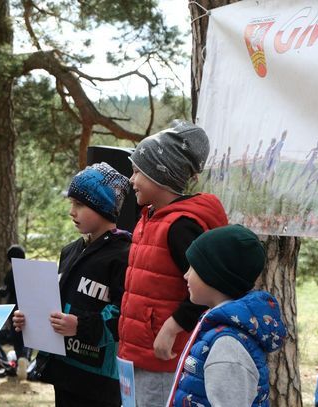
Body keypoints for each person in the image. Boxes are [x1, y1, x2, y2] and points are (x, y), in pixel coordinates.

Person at [117, 120, 229, 407]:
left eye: (137, 172)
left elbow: (207, 289)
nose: (131, 180)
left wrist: (171, 327)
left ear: (161, 174)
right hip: (138, 356)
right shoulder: (150, 218)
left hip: (163, 360)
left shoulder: (180, 227)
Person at [13, 162, 132, 407]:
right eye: (71, 203)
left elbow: (124, 314)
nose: (71, 212)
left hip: (98, 381)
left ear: (102, 207)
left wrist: (80, 326)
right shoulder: (70, 251)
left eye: (79, 204)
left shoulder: (124, 255)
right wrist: (30, 319)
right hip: (64, 372)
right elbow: (56, 304)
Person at [167, 224, 287, 406]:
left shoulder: (228, 347)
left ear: (214, 275)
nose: (186, 275)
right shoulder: (217, 327)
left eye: (193, 267)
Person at [0, 244, 32, 379]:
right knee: (29, 337)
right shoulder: (31, 271)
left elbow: (3, 293)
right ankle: (25, 360)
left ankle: (19, 359)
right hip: (30, 307)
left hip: (15, 310)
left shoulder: (11, 274)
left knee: (17, 337)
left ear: (9, 259)